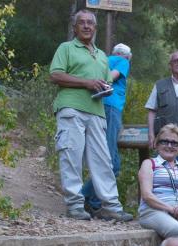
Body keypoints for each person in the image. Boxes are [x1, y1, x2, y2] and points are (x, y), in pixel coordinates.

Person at [49, 10, 132, 222]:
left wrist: (105, 88)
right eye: (82, 23)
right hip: (71, 108)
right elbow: (55, 75)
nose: (86, 26)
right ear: (75, 27)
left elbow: (107, 81)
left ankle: (111, 206)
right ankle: (75, 206)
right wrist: (86, 82)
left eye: (90, 23)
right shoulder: (66, 48)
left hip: (97, 112)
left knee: (103, 160)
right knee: (72, 156)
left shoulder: (102, 55)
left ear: (95, 28)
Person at [81, 43, 132, 215]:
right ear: (127, 56)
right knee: (109, 160)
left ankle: (88, 199)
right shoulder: (123, 61)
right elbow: (111, 77)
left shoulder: (102, 59)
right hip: (111, 107)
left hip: (97, 106)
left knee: (110, 161)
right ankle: (90, 200)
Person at [137, 124, 178, 241]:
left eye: (174, 143)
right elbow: (146, 195)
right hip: (153, 211)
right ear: (157, 144)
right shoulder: (149, 164)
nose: (169, 145)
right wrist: (171, 209)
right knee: (175, 229)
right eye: (164, 141)